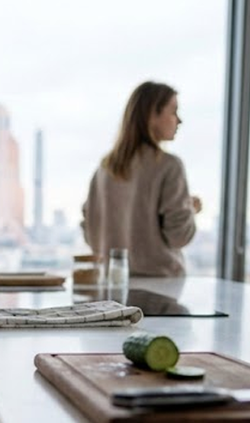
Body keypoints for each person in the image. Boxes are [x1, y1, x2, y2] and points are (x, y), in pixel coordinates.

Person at [81, 81, 201, 277]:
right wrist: (190, 209)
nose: (179, 121)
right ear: (152, 115)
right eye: (173, 112)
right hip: (162, 288)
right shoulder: (168, 166)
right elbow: (179, 236)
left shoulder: (104, 170)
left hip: (113, 287)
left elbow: (90, 233)